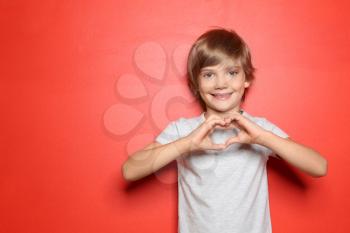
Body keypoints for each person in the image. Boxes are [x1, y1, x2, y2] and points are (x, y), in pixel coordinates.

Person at [121, 28, 328, 233]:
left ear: (246, 79)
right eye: (209, 74)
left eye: (232, 72)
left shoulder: (259, 129)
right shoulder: (183, 130)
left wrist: (263, 138)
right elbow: (130, 170)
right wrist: (187, 144)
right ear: (196, 83)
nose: (221, 83)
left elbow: (319, 166)